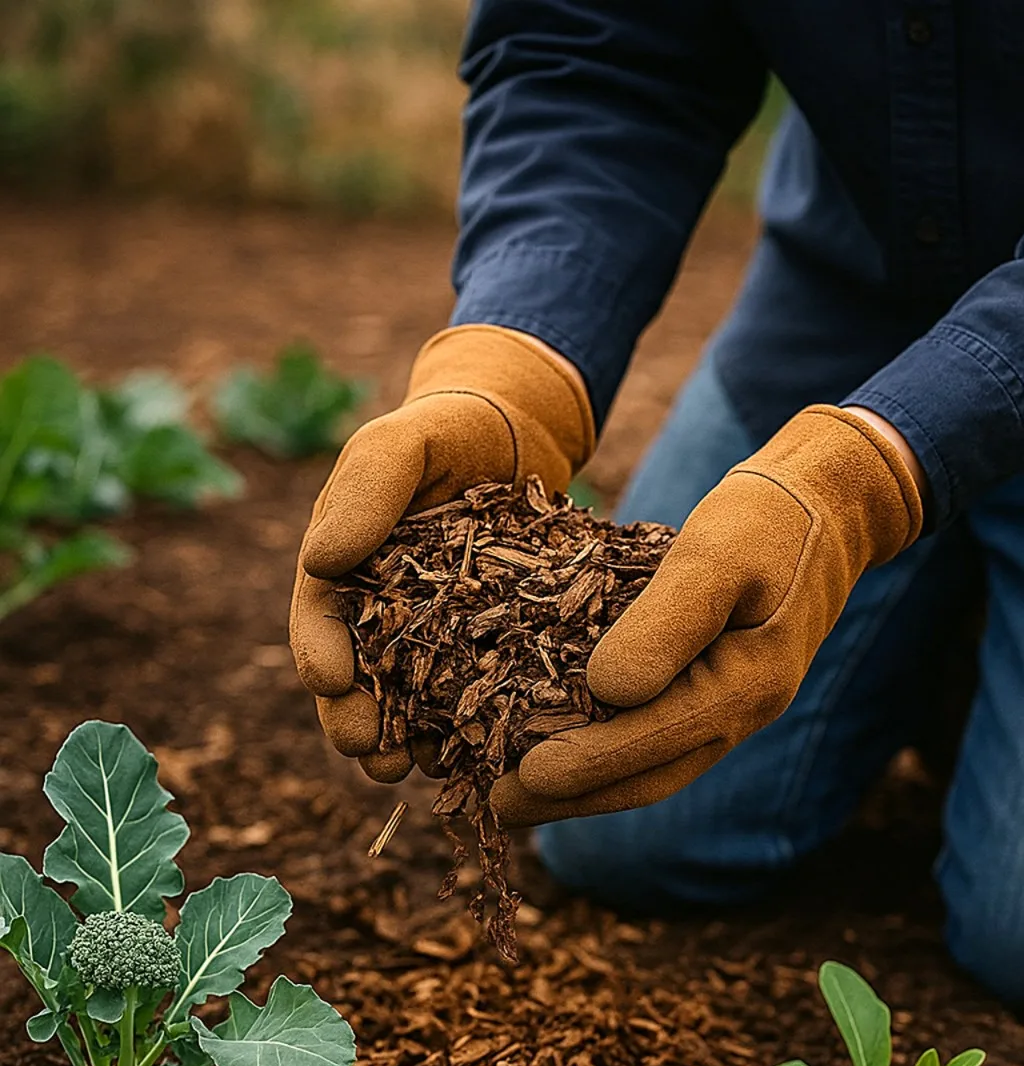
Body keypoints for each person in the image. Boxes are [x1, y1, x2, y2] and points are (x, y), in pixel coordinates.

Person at [290, 3, 1024, 1005]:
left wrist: (881, 473)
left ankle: (955, 629)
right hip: (856, 292)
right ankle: (940, 638)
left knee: (1015, 932)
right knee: (625, 821)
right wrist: (517, 356)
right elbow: (592, 48)